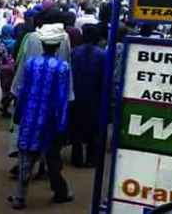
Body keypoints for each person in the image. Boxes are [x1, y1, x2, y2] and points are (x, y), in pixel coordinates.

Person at [8, 24, 73, 210]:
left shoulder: (31, 64)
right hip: (49, 121)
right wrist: (62, 125)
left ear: (42, 44)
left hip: (29, 117)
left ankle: (19, 197)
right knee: (52, 159)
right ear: (58, 46)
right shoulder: (62, 67)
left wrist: (18, 114)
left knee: (25, 159)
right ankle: (60, 192)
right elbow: (61, 99)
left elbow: (23, 91)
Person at [70, 25, 105, 168]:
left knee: (76, 127)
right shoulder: (102, 54)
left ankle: (77, 157)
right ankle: (91, 158)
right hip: (94, 96)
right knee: (94, 130)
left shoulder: (74, 52)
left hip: (77, 94)